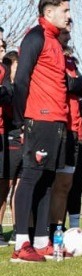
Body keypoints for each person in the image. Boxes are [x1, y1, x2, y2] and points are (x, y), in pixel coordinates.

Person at [10, 0, 75, 263]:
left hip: (57, 121)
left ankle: (40, 241)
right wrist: (21, 120)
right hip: (39, 118)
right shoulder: (35, 37)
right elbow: (21, 81)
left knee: (47, 180)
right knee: (30, 177)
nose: (69, 16)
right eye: (65, 11)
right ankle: (21, 243)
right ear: (49, 13)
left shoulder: (55, 42)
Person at [49, 37, 82, 231]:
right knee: (56, 185)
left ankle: (71, 228)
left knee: (73, 184)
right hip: (60, 131)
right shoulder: (49, 62)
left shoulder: (73, 65)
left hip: (78, 134)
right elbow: (70, 84)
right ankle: (48, 229)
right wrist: (76, 84)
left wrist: (77, 83)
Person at [0, 52, 19, 242]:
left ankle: (17, 230)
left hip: (24, 141)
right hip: (10, 139)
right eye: (16, 66)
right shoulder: (8, 92)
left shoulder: (21, 88)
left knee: (19, 188)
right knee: (5, 186)